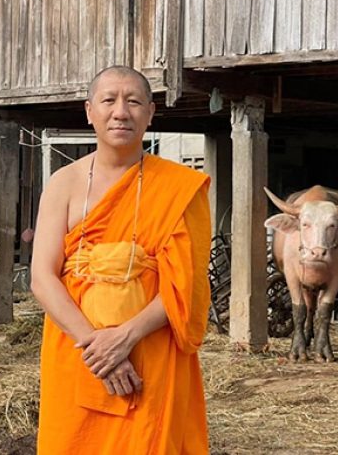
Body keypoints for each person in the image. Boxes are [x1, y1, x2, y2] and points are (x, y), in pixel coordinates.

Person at [31, 65, 212, 454]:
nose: (121, 111)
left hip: (151, 349)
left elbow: (188, 282)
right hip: (79, 351)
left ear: (150, 113)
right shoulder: (64, 183)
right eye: (109, 100)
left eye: (133, 101)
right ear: (89, 111)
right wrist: (98, 348)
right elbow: (42, 277)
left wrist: (125, 336)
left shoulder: (181, 188)